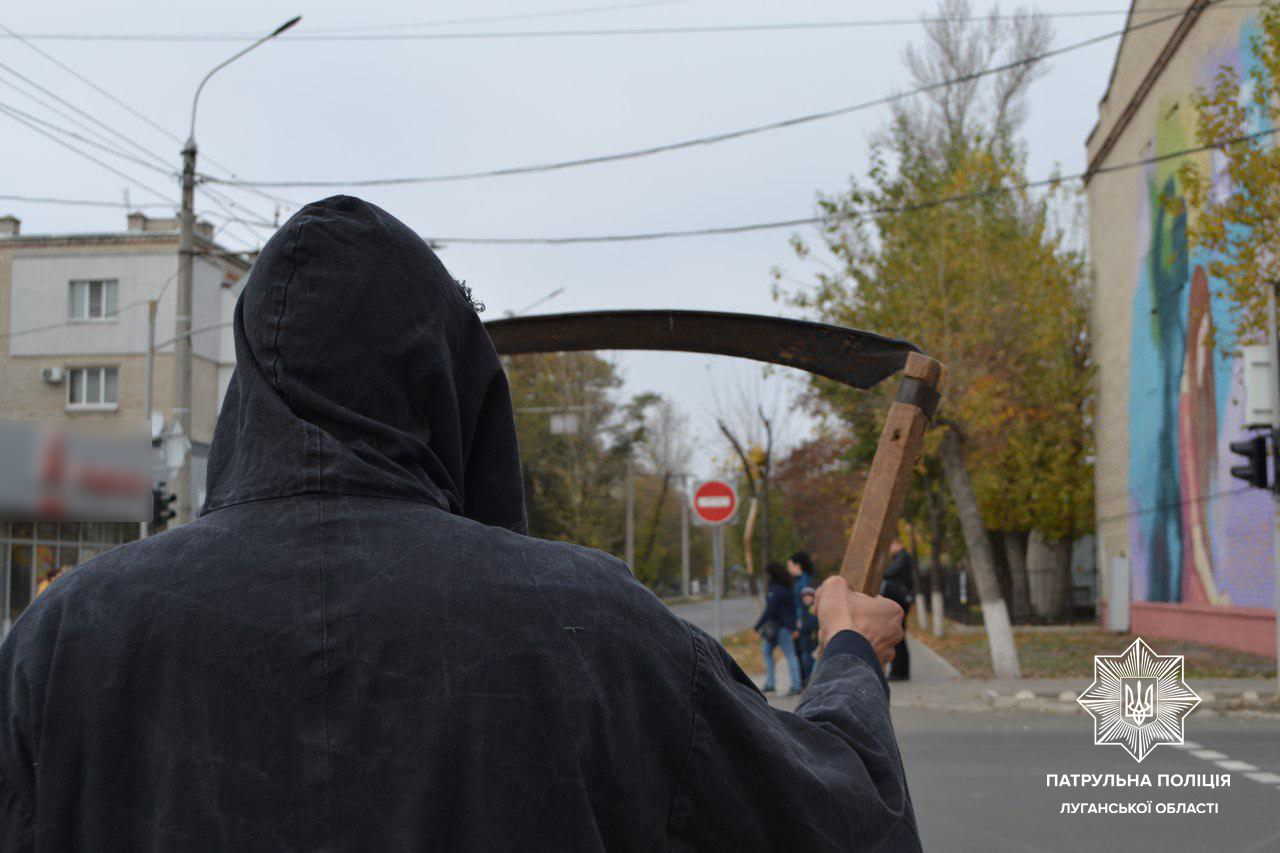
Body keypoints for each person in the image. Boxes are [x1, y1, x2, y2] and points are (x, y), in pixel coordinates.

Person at [0, 197, 919, 851]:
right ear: (446, 384)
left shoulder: (65, 634)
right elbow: (830, 819)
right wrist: (847, 658)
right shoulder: (591, 626)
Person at [754, 561, 804, 696]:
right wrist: (793, 626)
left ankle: (795, 685)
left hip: (779, 627)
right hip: (784, 627)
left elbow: (770, 610)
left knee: (789, 654)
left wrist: (757, 626)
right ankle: (771, 684)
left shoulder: (776, 589)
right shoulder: (787, 587)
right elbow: (793, 609)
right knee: (769, 651)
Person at [882, 538, 917, 681]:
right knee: (898, 636)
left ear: (898, 544)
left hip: (900, 600)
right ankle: (900, 671)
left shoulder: (903, 557)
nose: (889, 549)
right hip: (900, 599)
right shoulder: (900, 557)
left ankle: (899, 671)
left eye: (891, 545)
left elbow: (889, 573)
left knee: (898, 636)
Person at [787, 550, 815, 680]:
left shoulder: (804, 582)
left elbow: (805, 605)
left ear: (797, 565)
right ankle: (806, 679)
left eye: (790, 566)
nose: (788, 569)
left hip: (805, 623)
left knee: (805, 653)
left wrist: (799, 622)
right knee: (802, 652)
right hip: (804, 622)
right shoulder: (801, 581)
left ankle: (809, 680)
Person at [796, 585, 820, 685]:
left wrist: (802, 626)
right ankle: (809, 685)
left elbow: (812, 625)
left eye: (809, 596)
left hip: (814, 644)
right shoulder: (802, 611)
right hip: (805, 643)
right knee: (806, 664)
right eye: (804, 597)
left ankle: (813, 685)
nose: (807, 599)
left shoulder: (814, 609)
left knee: (814, 666)